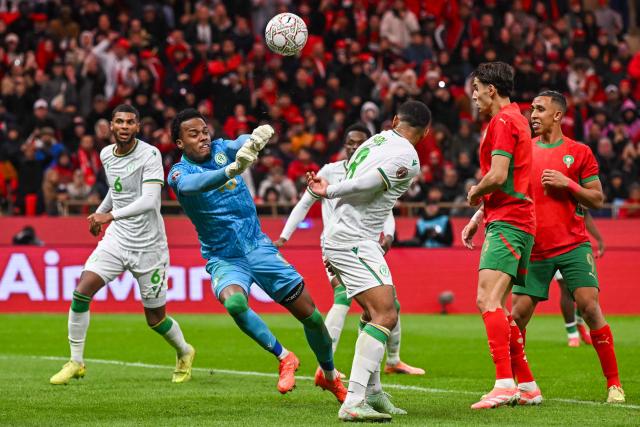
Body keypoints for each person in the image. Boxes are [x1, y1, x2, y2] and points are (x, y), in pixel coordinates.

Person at [167, 108, 346, 401]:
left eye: (204, 131)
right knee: (235, 303)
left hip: (258, 247)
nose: (202, 137)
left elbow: (239, 142)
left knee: (312, 318)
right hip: (224, 257)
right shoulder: (179, 172)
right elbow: (193, 185)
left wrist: (256, 137)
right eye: (193, 134)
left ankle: (329, 375)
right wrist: (230, 171)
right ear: (179, 143)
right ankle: (284, 356)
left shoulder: (221, 148)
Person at [50, 105, 195, 385]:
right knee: (81, 292)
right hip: (117, 239)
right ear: (111, 126)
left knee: (155, 319)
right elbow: (117, 192)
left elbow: (150, 200)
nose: (125, 126)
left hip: (149, 247)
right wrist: (101, 214)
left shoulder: (150, 155)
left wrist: (109, 215)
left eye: (130, 122)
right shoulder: (106, 154)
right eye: (119, 121)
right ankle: (76, 361)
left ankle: (185, 351)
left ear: (138, 127)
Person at [307, 101, 430, 422]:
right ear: (426, 132)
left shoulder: (375, 139)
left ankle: (373, 394)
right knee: (385, 314)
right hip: (353, 239)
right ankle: (354, 400)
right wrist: (330, 191)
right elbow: (367, 183)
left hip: (355, 237)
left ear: (394, 120)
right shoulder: (408, 157)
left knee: (379, 310)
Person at [275, 123, 425, 377]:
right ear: (344, 145)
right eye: (350, 142)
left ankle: (393, 360)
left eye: (360, 142)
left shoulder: (374, 166)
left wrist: (388, 233)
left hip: (363, 242)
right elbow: (304, 203)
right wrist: (283, 237)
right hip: (336, 243)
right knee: (344, 297)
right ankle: (326, 366)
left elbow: (385, 207)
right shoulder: (330, 171)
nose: (355, 146)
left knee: (388, 305)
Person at [510, 91, 623, 403]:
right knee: (516, 316)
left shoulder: (579, 151)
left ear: (557, 115)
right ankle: (524, 385)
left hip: (573, 244)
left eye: (539, 109)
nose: (532, 115)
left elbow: (598, 199)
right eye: (531, 109)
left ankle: (614, 384)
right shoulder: (523, 152)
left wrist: (568, 184)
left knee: (589, 307)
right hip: (535, 248)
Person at [461, 62, 541, 409]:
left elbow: (498, 175)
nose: (474, 96)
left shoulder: (503, 121)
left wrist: (475, 192)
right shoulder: (516, 118)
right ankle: (527, 384)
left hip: (510, 220)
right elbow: (511, 181)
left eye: (476, 88)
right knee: (499, 306)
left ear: (491, 89)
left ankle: (504, 383)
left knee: (487, 300)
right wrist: (480, 215)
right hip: (514, 218)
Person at [557, 211, 604, 347]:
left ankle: (579, 322)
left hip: (576, 246)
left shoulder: (572, 190)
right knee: (565, 288)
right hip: (552, 245)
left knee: (587, 288)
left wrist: (599, 238)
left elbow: (586, 213)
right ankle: (572, 333)